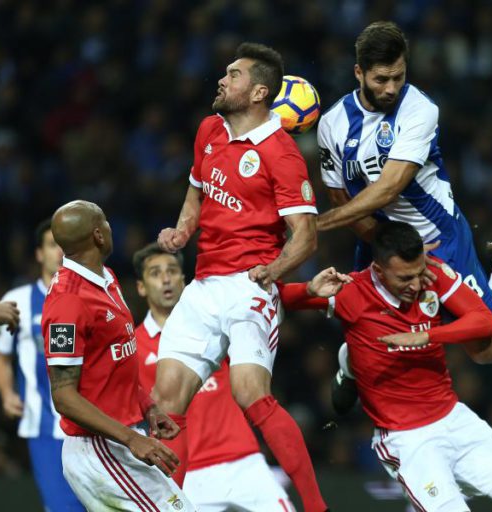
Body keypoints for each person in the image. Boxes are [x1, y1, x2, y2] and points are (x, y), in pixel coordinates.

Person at [315, 21, 492, 412]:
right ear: (358, 72)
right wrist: (386, 245)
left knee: (490, 349)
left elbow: (391, 185)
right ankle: (348, 366)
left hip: (439, 238)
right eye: (381, 79)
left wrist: (317, 225)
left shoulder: (420, 109)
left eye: (399, 76)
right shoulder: (331, 124)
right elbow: (338, 195)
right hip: (380, 238)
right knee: (371, 330)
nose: (391, 88)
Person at [154, 42, 327, 512]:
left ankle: (316, 507)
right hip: (204, 285)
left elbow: (305, 236)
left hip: (250, 288)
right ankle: (169, 505)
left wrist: (272, 272)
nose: (222, 80)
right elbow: (196, 194)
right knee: (164, 399)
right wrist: (182, 231)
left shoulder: (282, 154)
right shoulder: (209, 130)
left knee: (249, 392)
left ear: (259, 92)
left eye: (233, 75)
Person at [281, 221, 492, 512]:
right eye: (404, 278)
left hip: (453, 418)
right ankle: (349, 362)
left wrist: (427, 335)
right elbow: (279, 296)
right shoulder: (351, 293)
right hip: (407, 439)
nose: (415, 285)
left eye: (417, 274)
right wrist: (309, 289)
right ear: (378, 270)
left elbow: (485, 322)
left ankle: (349, 360)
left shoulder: (431, 273)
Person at [42, 200, 195, 511]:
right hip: (98, 449)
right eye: (107, 223)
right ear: (99, 235)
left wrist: (148, 407)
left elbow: (113, 365)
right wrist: (131, 439)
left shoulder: (106, 279)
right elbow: (64, 397)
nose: (112, 228)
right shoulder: (67, 302)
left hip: (119, 439)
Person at [133, 242, 294, 511]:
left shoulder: (216, 321)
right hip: (187, 470)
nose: (166, 278)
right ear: (141, 287)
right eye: (155, 272)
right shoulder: (134, 346)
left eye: (172, 270)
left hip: (244, 460)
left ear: (184, 280)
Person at [0, 219, 84, 511]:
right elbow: (1, 356)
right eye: (52, 244)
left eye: (64, 245)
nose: (59, 251)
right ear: (39, 254)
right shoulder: (16, 302)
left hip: (89, 424)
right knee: (61, 506)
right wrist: (7, 394)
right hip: (43, 425)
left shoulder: (87, 298)